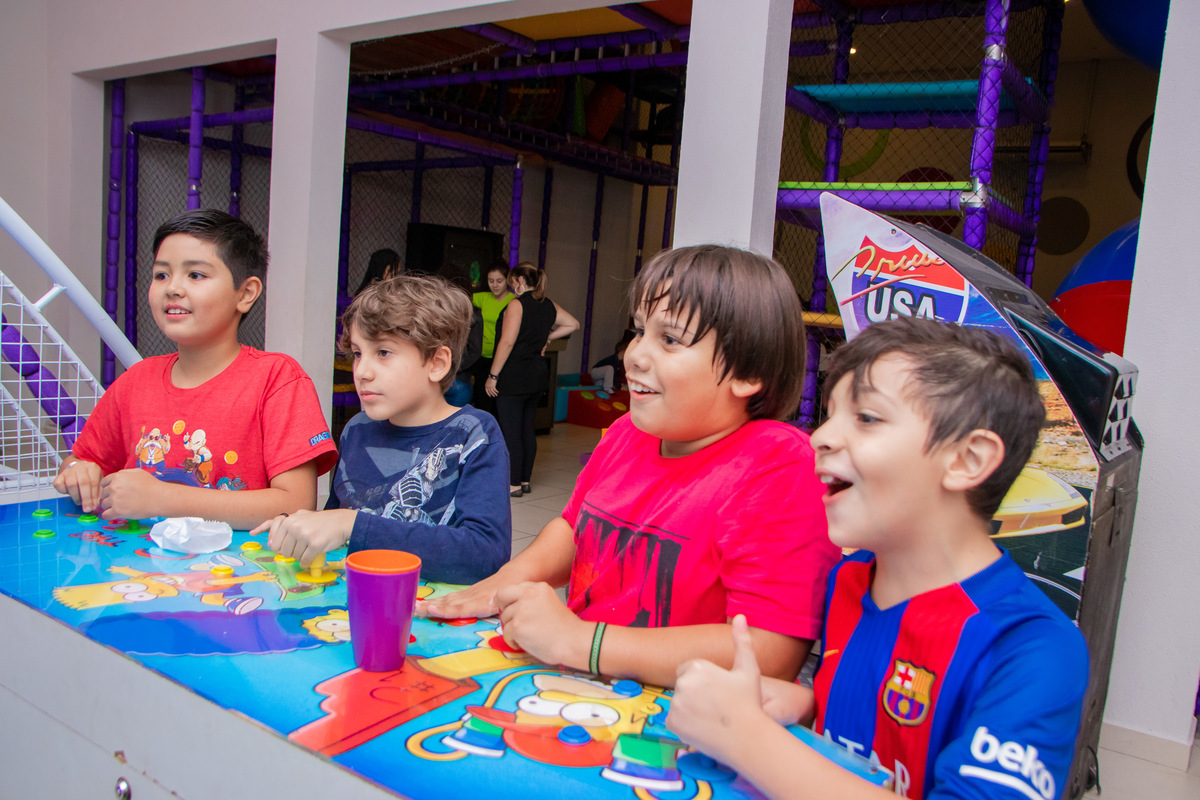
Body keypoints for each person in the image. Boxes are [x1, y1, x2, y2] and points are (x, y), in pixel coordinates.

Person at [666, 317, 1089, 800]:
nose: (819, 437)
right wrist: (804, 705)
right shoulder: (849, 580)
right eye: (828, 414)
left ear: (967, 460)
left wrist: (747, 738)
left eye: (866, 418)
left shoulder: (1033, 650)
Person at [422, 245, 841, 689]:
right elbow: (572, 529)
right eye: (640, 331)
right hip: (582, 689)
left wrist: (581, 641)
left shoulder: (780, 468)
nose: (635, 355)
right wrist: (504, 581)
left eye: (671, 339)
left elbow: (768, 653)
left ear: (747, 372)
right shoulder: (626, 434)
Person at [52, 209, 338, 528]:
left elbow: (296, 505)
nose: (173, 288)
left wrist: (163, 499)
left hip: (239, 573)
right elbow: (82, 461)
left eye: (195, 275)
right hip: (137, 571)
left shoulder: (277, 379)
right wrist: (78, 472)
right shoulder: (134, 381)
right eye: (162, 275)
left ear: (245, 294)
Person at [252, 274, 512, 585]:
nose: (361, 371)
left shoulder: (474, 435)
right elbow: (337, 519)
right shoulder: (356, 429)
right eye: (358, 353)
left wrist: (352, 525)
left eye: (383, 353)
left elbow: (485, 554)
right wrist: (304, 530)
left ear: (436, 363)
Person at [484, 262, 579, 497]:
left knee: (511, 431)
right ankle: (525, 480)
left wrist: (493, 376)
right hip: (537, 375)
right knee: (527, 428)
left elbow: (507, 342)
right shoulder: (547, 304)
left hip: (514, 374)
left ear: (518, 281)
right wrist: (547, 338)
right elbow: (573, 324)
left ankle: (513, 483)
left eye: (511, 282)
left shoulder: (516, 304)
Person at [470, 261, 514, 412]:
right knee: (482, 400)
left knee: (498, 402)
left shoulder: (514, 302)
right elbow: (458, 298)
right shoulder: (483, 298)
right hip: (481, 356)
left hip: (502, 358)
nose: (494, 285)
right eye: (491, 281)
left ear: (507, 280)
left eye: (499, 281)